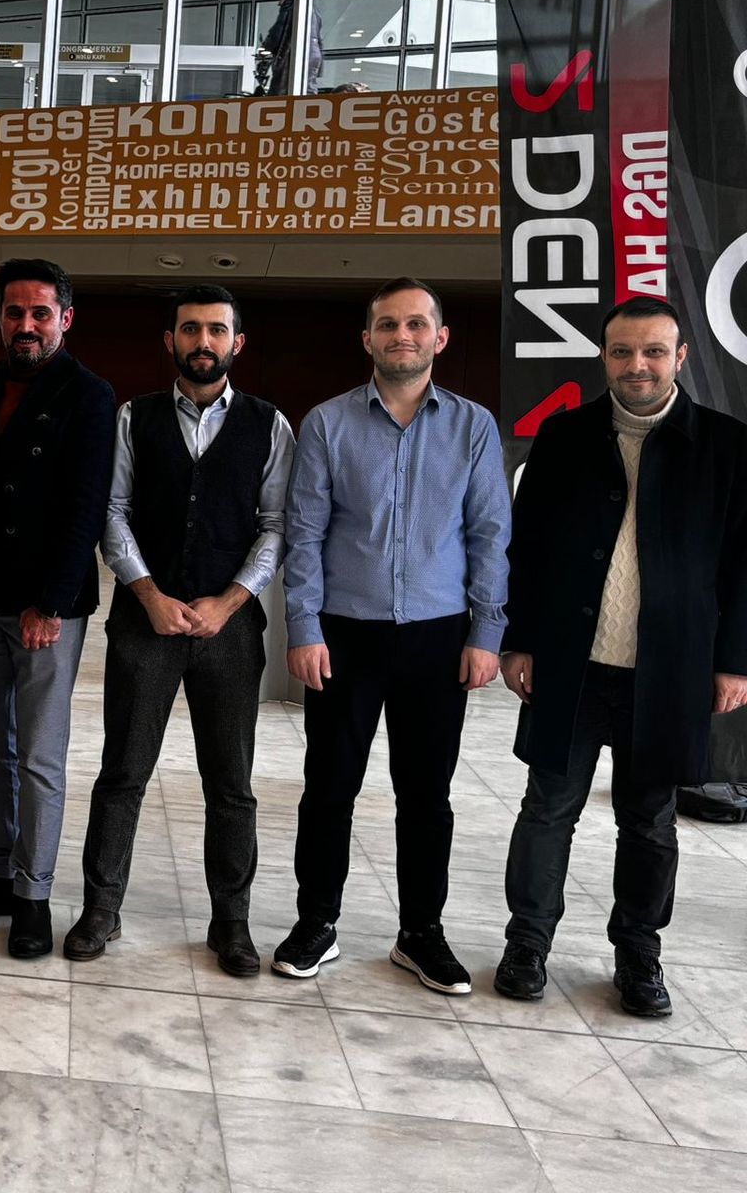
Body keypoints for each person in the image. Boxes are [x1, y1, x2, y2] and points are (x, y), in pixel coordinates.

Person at [495, 297, 747, 1017]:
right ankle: (527, 944)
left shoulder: (727, 445)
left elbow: (743, 566)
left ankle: (639, 953)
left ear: (680, 357)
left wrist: (734, 661)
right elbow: (527, 549)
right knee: (547, 811)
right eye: (622, 352)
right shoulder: (564, 436)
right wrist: (518, 638)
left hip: (669, 673)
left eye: (653, 352)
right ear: (604, 357)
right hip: (571, 666)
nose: (637, 365)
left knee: (650, 822)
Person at [274, 278, 510, 994]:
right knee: (328, 788)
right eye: (387, 325)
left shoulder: (473, 426)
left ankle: (421, 934)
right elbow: (305, 534)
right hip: (344, 636)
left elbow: (490, 535)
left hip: (438, 638)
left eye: (415, 324)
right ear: (368, 339)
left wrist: (486, 631)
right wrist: (303, 626)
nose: (401, 336)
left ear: (440, 337)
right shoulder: (327, 424)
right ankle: (317, 921)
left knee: (426, 795)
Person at [69, 286, 293, 974]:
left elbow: (276, 525)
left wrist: (229, 602)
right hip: (145, 623)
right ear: (170, 340)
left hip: (231, 629)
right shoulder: (133, 417)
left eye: (217, 330)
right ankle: (101, 908)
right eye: (191, 329)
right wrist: (149, 594)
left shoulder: (269, 424)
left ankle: (232, 922)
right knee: (123, 773)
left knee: (231, 784)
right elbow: (112, 511)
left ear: (237, 343)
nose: (204, 341)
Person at [0, 259, 115, 959]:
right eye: (14, 312)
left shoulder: (90, 394)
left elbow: (84, 508)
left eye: (40, 313)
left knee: (38, 755)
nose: (26, 325)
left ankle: (32, 896)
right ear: (0, 318)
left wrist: (51, 603)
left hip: (45, 609)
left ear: (66, 318)